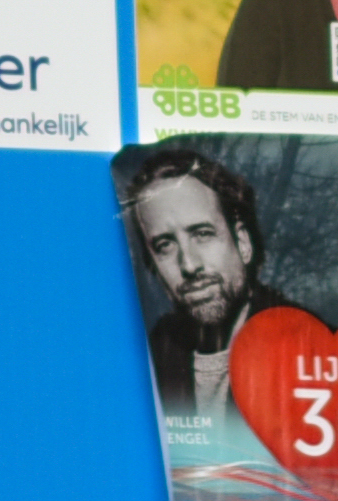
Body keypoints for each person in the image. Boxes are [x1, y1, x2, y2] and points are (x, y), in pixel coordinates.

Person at [113, 141, 267, 423]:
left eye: (203, 234)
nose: (189, 265)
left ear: (243, 244)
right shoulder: (141, 363)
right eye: (165, 246)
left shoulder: (307, 350)